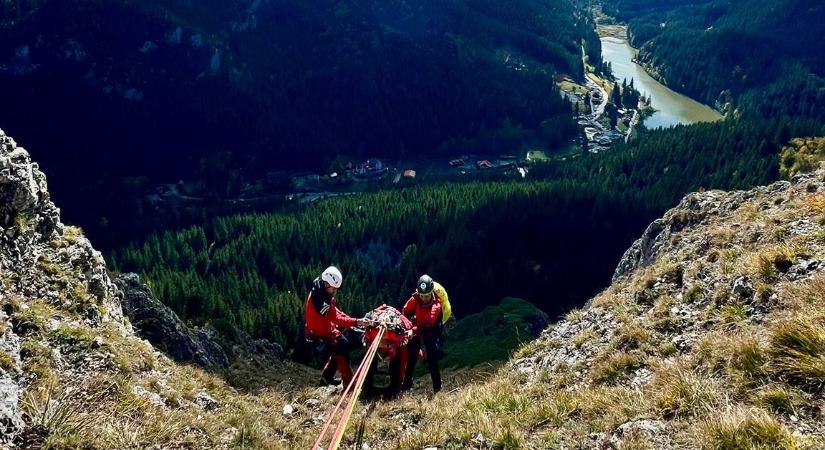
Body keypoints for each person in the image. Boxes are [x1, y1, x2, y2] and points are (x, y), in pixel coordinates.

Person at [304, 266, 368, 387]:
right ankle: (349, 385)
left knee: (339, 347)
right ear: (327, 283)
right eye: (333, 289)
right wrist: (357, 322)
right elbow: (336, 318)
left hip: (324, 328)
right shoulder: (321, 300)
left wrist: (352, 320)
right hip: (320, 333)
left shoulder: (320, 289)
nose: (334, 291)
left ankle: (326, 378)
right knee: (342, 351)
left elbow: (335, 312)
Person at [401, 274, 444, 393]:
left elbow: (428, 322)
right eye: (422, 295)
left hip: (430, 331)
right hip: (416, 329)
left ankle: (437, 387)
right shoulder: (415, 299)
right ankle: (406, 385)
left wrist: (412, 330)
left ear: (432, 292)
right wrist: (408, 325)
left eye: (427, 295)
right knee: (412, 356)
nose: (424, 298)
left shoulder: (436, 305)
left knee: (432, 358)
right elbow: (405, 312)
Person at [362, 305, 413, 399]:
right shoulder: (395, 329)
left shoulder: (373, 329)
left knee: (372, 368)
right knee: (391, 368)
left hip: (379, 348)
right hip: (388, 348)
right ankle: (391, 391)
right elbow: (408, 326)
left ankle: (370, 392)